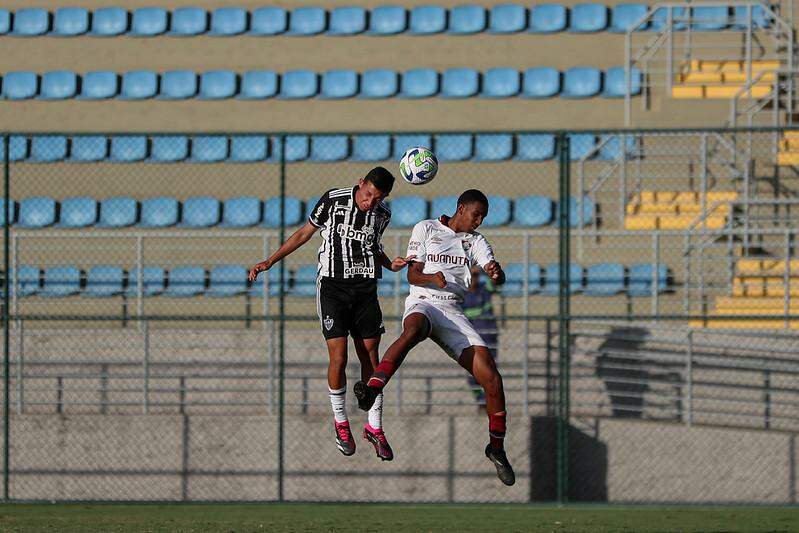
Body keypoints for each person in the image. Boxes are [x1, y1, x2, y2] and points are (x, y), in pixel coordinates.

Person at [248, 167, 413, 461]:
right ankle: (341, 422)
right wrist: (270, 260)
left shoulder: (382, 215)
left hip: (365, 288)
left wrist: (391, 265)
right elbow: (304, 233)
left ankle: (374, 427)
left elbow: (372, 247)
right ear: (360, 183)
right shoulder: (333, 200)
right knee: (339, 357)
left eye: (378, 199)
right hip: (333, 289)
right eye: (368, 195)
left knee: (371, 358)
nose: (370, 203)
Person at [353, 189, 515, 486]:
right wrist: (432, 278)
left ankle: (497, 448)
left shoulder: (476, 241)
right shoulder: (425, 228)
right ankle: (373, 388)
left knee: (492, 378)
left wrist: (496, 272)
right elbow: (413, 276)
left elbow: (495, 272)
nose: (479, 221)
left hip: (452, 310)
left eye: (483, 217)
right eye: (476, 214)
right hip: (424, 301)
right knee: (412, 329)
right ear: (461, 208)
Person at [463, 266, 499, 406]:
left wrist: (483, 269)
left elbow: (495, 281)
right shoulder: (460, 294)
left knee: (491, 369)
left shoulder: (484, 288)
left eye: (476, 276)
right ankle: (481, 401)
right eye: (471, 275)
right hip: (472, 339)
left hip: (489, 335)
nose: (474, 279)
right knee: (473, 371)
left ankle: (490, 400)